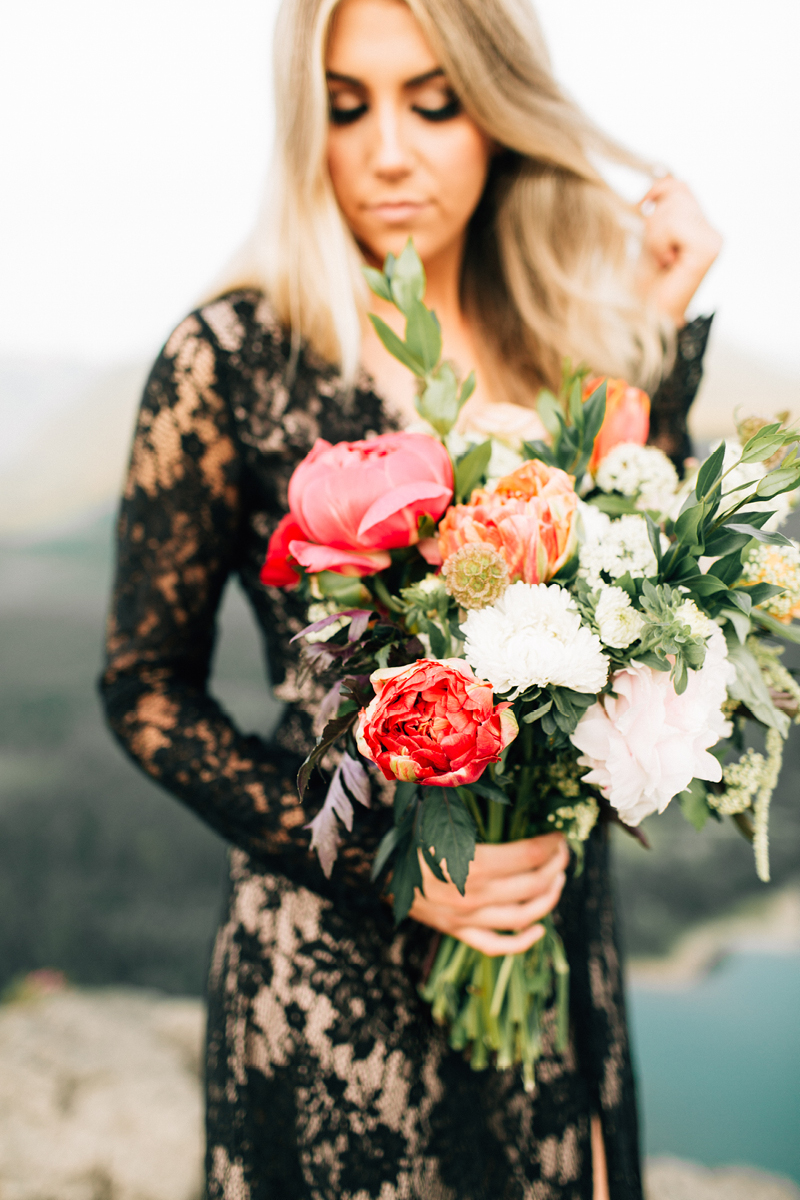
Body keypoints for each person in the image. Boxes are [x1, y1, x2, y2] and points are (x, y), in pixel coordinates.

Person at [99, 1, 720, 1197]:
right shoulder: (229, 357)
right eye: (346, 104)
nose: (387, 148)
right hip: (330, 989)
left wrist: (662, 328)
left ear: (496, 109)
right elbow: (142, 688)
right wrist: (381, 857)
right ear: (306, 125)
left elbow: (647, 605)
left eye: (432, 100)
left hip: (547, 953)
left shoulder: (565, 340)